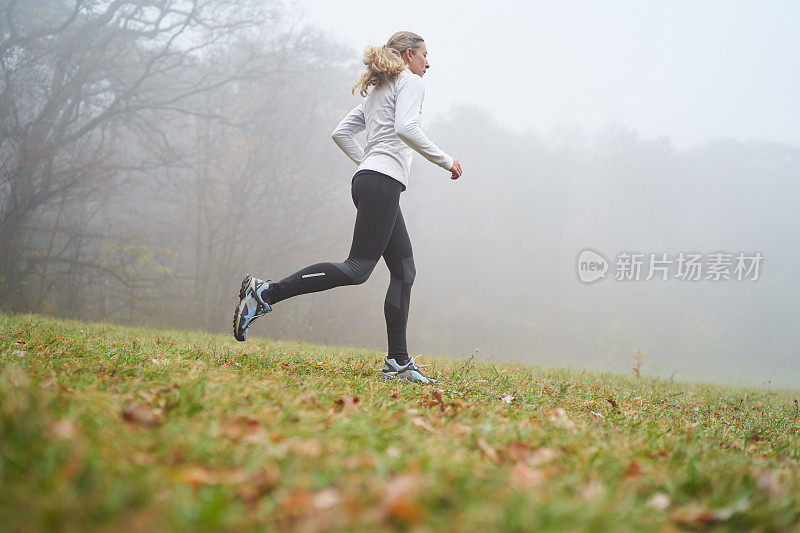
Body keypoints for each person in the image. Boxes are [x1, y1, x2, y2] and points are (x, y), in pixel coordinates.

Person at [233, 31, 462, 384]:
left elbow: (340, 133)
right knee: (357, 269)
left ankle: (398, 363)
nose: (428, 64)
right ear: (408, 54)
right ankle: (265, 292)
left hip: (370, 181)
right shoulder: (410, 83)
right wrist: (446, 160)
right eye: (425, 55)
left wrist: (367, 162)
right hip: (381, 183)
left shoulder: (378, 91)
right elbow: (406, 127)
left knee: (404, 271)